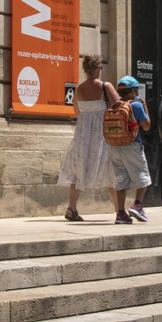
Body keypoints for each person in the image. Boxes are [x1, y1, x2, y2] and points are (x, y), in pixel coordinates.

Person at [58, 56, 119, 222]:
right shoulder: (105, 86)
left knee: (78, 170)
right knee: (110, 170)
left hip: (83, 134)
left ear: (85, 70)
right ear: (98, 68)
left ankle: (72, 208)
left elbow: (77, 111)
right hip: (102, 134)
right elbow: (119, 107)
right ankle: (119, 210)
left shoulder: (78, 89)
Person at [106, 76, 154, 224]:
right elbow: (146, 126)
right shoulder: (136, 106)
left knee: (121, 180)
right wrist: (145, 107)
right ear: (133, 91)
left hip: (114, 147)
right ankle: (137, 205)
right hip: (132, 146)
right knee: (143, 177)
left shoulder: (116, 105)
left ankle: (120, 214)